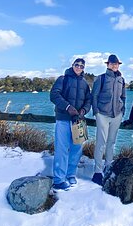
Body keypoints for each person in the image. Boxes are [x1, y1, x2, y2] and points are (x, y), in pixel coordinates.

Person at [49, 58, 92, 190]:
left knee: (76, 149)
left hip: (78, 121)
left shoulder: (85, 83)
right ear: (72, 65)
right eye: (77, 65)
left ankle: (71, 174)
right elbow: (54, 95)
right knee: (62, 149)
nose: (79, 67)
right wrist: (68, 107)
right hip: (63, 119)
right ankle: (59, 180)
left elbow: (88, 100)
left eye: (81, 66)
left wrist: (84, 110)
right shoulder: (63, 79)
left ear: (84, 68)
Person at [91, 54, 126, 185]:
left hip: (117, 115)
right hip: (103, 115)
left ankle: (108, 166)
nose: (114, 65)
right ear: (108, 65)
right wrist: (96, 112)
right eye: (112, 63)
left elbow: (123, 97)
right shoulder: (101, 78)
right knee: (101, 143)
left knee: (111, 142)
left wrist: (122, 111)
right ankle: (97, 172)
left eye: (116, 64)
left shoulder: (121, 79)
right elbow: (93, 96)